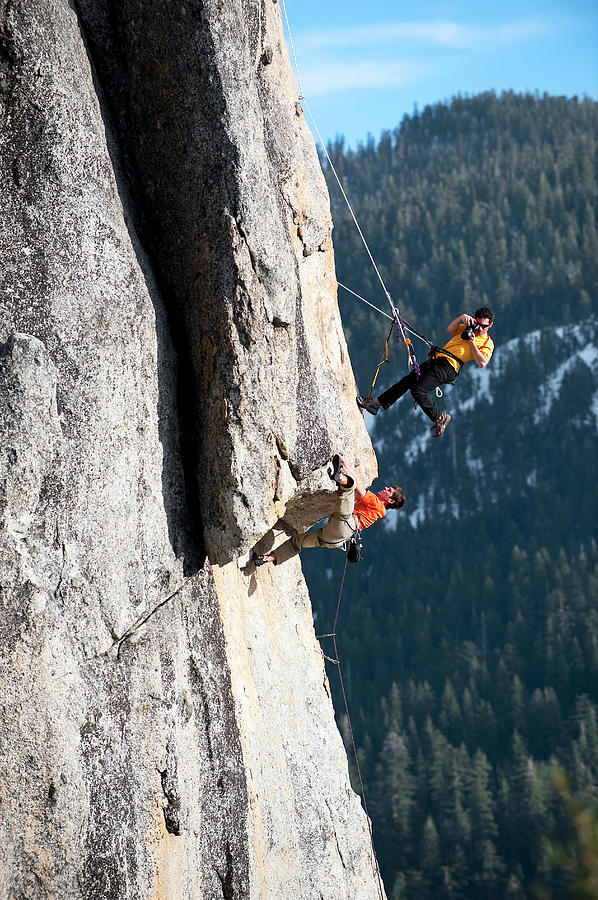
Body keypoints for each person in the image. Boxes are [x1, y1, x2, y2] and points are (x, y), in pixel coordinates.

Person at [357, 307, 495, 437]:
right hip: (437, 360)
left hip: (449, 367)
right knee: (407, 381)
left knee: (418, 390)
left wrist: (472, 342)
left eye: (484, 326)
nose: (480, 328)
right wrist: (461, 317)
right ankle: (377, 403)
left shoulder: (487, 343)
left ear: (490, 326)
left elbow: (482, 362)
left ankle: (440, 418)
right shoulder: (467, 328)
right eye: (478, 323)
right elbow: (450, 329)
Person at [252, 455, 405, 566]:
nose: (385, 488)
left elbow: (357, 486)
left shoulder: (378, 505)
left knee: (348, 490)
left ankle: (340, 477)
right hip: (335, 540)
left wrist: (345, 465)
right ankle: (267, 558)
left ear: (390, 500)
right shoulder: (377, 512)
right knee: (296, 542)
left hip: (345, 524)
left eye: (389, 490)